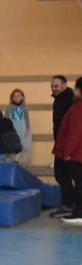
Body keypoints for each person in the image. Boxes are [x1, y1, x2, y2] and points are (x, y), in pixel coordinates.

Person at [52, 77, 82, 221]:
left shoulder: (76, 105)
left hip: (73, 151)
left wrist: (68, 152)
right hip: (70, 149)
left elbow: (75, 130)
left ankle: (75, 208)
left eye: (56, 85)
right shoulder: (65, 102)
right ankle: (75, 207)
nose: (53, 88)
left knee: (76, 180)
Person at [50, 75, 75, 218]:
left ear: (65, 85)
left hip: (66, 145)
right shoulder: (59, 100)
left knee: (62, 174)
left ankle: (68, 204)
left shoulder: (68, 100)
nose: (54, 89)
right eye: (52, 86)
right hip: (61, 143)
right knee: (62, 174)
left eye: (56, 86)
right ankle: (70, 203)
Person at [4, 88, 32, 166]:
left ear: (22, 97)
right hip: (12, 130)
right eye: (14, 96)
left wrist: (27, 130)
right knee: (13, 146)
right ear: (12, 98)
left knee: (21, 146)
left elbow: (27, 120)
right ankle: (13, 160)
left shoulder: (24, 108)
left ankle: (18, 161)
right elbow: (6, 119)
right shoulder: (9, 108)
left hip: (22, 130)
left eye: (18, 96)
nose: (16, 98)